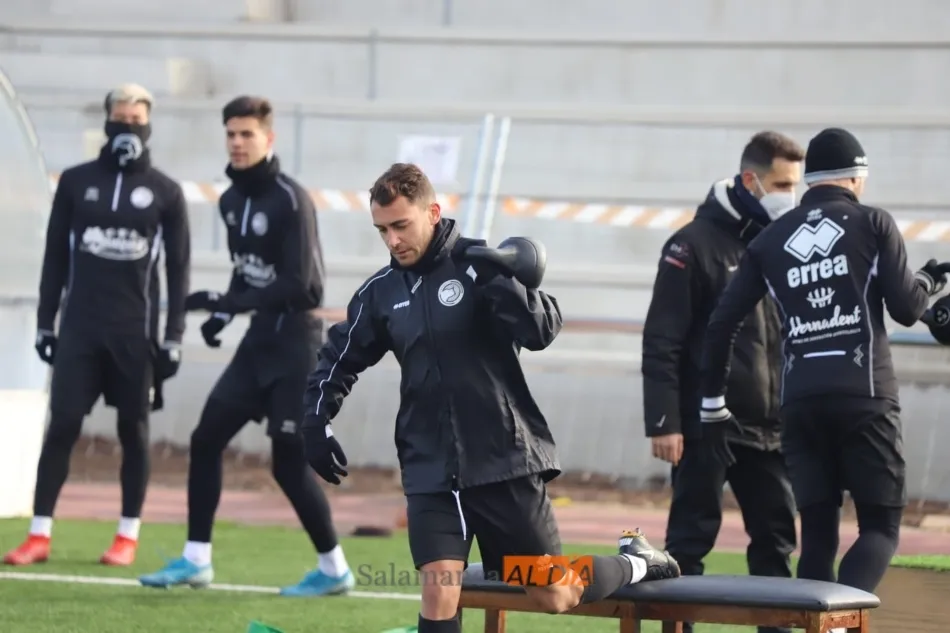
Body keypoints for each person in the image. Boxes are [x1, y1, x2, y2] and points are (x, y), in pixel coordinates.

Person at [299, 162, 680, 633]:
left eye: (401, 225)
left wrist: (502, 280)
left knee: (552, 592)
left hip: (502, 462)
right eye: (382, 230)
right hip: (430, 467)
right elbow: (338, 358)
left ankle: (636, 561)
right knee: (439, 588)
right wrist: (315, 420)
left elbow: (542, 329)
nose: (392, 241)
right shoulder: (381, 292)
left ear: (432, 213)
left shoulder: (481, 264)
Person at [698, 127, 948, 598]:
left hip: (799, 404)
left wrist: (712, 402)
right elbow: (907, 308)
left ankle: (818, 624)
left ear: (810, 179)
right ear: (857, 177)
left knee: (817, 536)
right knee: (880, 529)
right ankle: (834, 626)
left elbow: (721, 324)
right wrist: (928, 282)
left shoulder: (770, 240)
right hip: (865, 395)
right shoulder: (873, 223)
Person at [138, 95, 353, 597]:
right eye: (231, 134)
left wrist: (229, 302)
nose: (237, 142)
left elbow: (304, 287)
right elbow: (248, 274)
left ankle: (334, 569)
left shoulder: (291, 200)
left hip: (295, 347)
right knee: (205, 439)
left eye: (247, 134)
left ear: (268, 138)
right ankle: (196, 560)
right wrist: (224, 310)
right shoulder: (231, 201)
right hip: (259, 342)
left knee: (287, 464)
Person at [3, 83, 191, 567]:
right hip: (80, 331)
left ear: (148, 127)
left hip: (134, 335)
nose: (127, 127)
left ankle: (127, 536)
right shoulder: (75, 182)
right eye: (120, 119)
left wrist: (173, 337)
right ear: (107, 122)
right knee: (63, 425)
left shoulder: (166, 192)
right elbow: (54, 258)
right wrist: (45, 323)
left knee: (133, 430)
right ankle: (39, 534)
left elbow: (178, 271)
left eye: (136, 121)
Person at [642, 131, 803, 633]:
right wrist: (664, 421)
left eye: (795, 185)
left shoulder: (784, 241)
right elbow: (662, 339)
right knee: (688, 545)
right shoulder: (691, 244)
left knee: (776, 545)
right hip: (704, 424)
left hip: (769, 427)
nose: (791, 195)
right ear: (751, 180)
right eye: (782, 184)